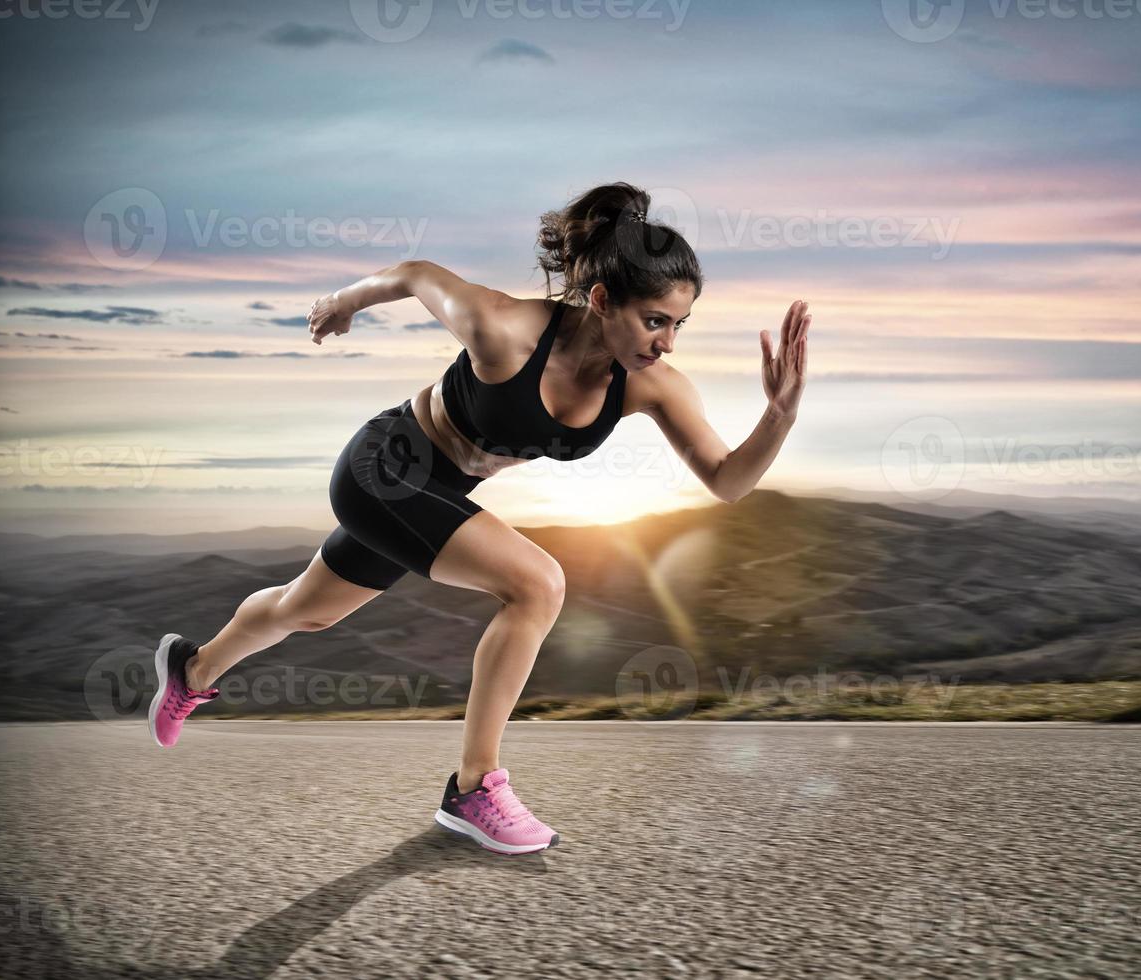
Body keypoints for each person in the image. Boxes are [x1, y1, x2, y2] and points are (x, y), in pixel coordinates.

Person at [147, 181, 810, 855]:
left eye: (678, 325)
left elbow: (727, 481)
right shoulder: (504, 328)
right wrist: (340, 305)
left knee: (306, 609)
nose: (667, 342)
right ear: (604, 301)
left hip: (440, 492)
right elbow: (414, 274)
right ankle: (473, 788)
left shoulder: (650, 385)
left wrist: (778, 417)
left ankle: (191, 672)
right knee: (537, 583)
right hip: (384, 466)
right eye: (654, 320)